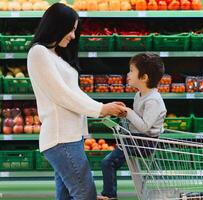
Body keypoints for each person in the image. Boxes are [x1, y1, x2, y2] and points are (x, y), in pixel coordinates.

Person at [27, 3, 126, 200]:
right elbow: (62, 94)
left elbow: (75, 92)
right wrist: (101, 109)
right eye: (71, 29)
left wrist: (105, 107)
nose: (73, 35)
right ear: (57, 26)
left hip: (71, 137)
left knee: (67, 196)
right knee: (85, 194)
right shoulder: (38, 53)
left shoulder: (56, 55)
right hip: (61, 138)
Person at [98, 53, 167, 200]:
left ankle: (109, 196)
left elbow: (144, 127)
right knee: (109, 162)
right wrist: (125, 113)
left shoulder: (153, 100)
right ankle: (109, 194)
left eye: (131, 71)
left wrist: (129, 112)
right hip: (135, 140)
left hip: (144, 143)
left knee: (107, 162)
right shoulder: (140, 95)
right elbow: (138, 120)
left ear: (144, 78)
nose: (128, 74)